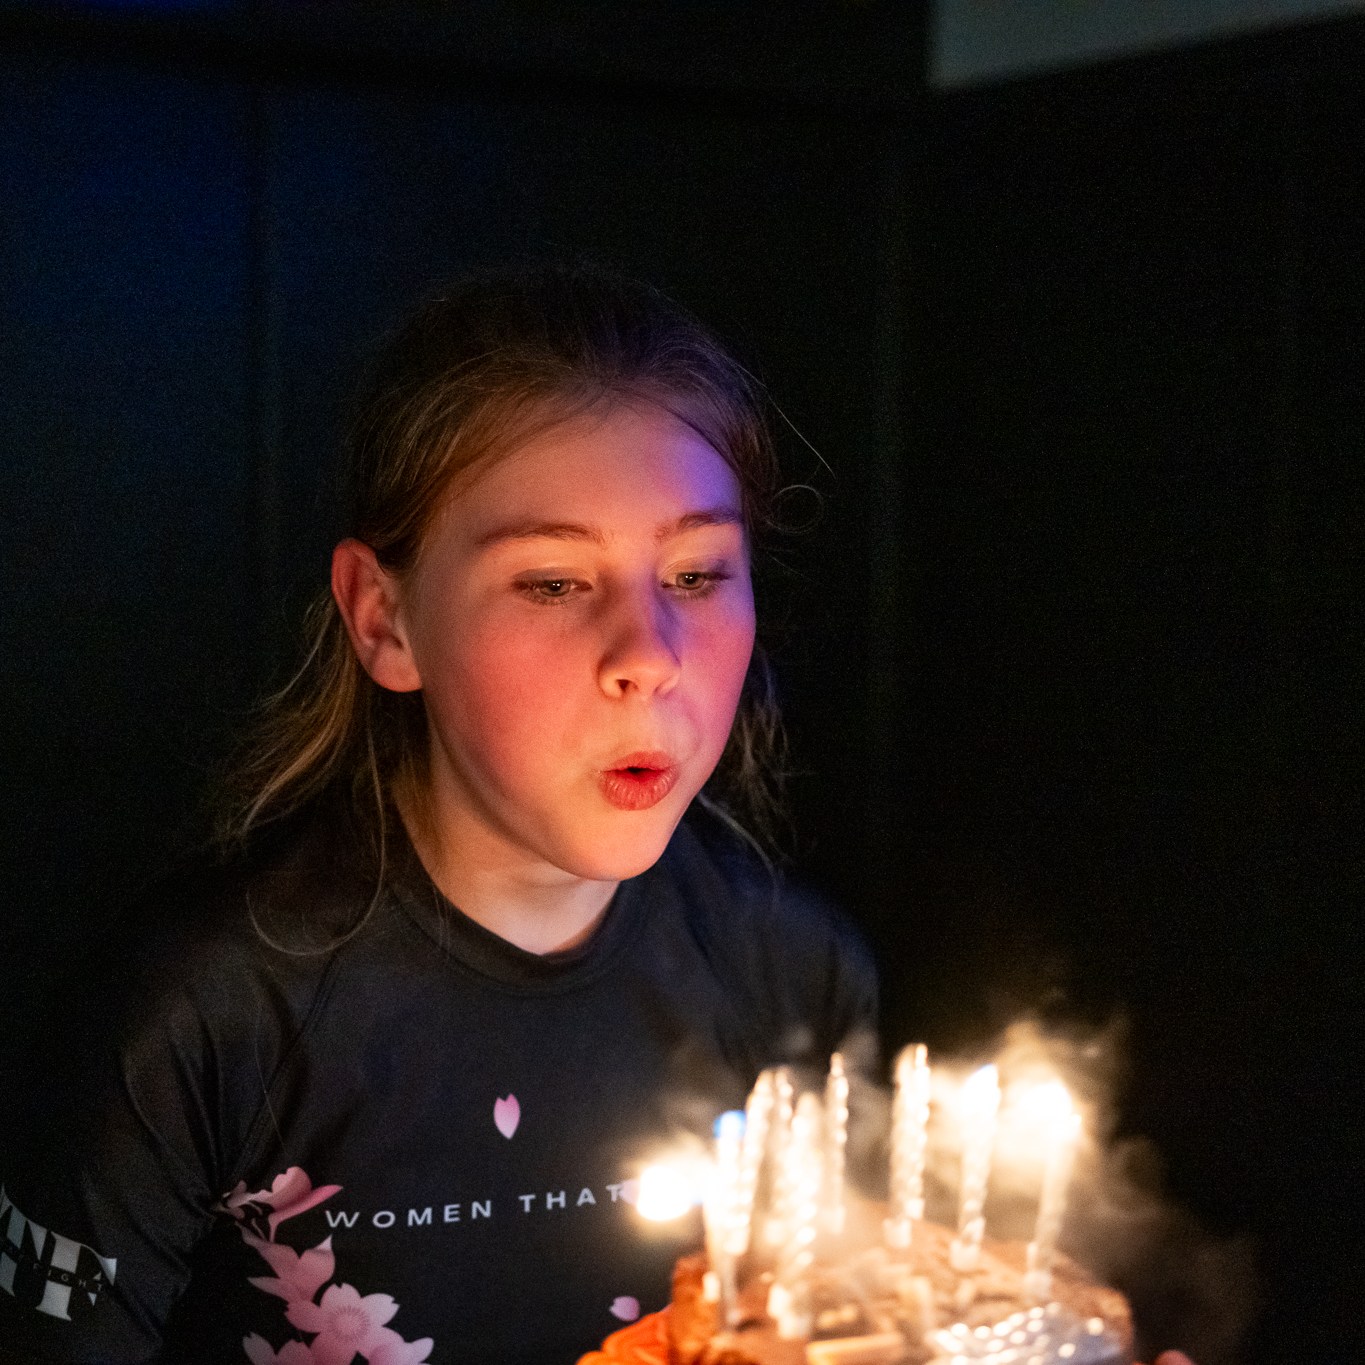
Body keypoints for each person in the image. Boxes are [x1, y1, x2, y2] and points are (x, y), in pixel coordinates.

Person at [0, 265, 879, 1365]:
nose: (649, 657)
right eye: (553, 583)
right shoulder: (199, 1019)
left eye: (698, 575)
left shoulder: (792, 976)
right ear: (385, 620)